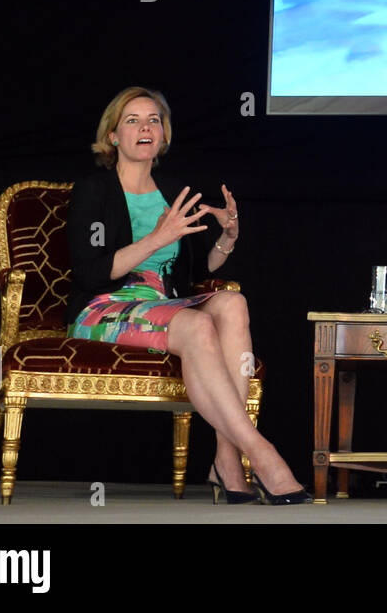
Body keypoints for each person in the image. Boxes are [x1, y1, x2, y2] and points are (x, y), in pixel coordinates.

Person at [66, 86, 311, 505]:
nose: (146, 127)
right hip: (106, 307)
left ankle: (225, 460)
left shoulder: (173, 189)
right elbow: (90, 271)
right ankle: (261, 453)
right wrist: (158, 236)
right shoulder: (94, 190)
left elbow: (196, 273)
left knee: (233, 302)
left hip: (165, 302)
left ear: (163, 134)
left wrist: (228, 237)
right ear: (112, 137)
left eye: (154, 120)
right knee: (197, 325)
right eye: (133, 120)